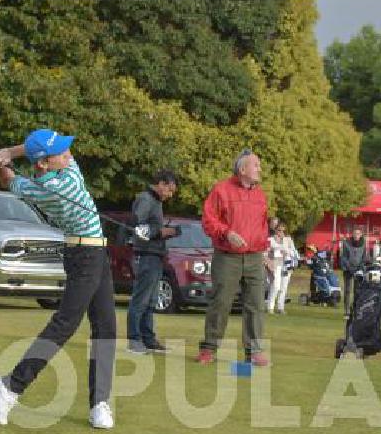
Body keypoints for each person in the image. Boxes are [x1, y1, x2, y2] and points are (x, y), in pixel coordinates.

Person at [0, 129, 117, 429]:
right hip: (84, 256)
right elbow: (14, 179)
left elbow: (10, 181)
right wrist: (9, 156)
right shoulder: (56, 186)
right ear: (44, 163)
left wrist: (4, 156)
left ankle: (99, 402)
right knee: (64, 325)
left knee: (106, 327)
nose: (69, 154)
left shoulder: (43, 179)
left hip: (95, 254)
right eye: (61, 152)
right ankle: (11, 385)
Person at [196, 148, 271, 366]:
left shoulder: (260, 194)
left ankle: (254, 351)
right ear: (242, 169)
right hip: (227, 257)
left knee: (256, 304)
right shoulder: (221, 190)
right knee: (221, 302)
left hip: (255, 257)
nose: (260, 169)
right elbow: (208, 220)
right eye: (256, 165)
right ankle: (209, 348)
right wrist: (227, 233)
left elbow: (262, 225)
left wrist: (263, 251)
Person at [126, 170, 179, 354]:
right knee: (141, 299)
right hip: (146, 255)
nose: (170, 195)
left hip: (155, 255)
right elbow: (137, 226)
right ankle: (134, 340)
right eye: (170, 190)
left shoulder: (155, 201)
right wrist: (164, 232)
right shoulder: (146, 199)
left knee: (151, 300)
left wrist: (163, 231)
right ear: (162, 184)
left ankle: (148, 339)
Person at [266, 222, 298, 315]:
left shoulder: (288, 240)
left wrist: (287, 252)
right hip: (275, 264)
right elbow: (266, 252)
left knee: (283, 287)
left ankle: (280, 307)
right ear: (275, 230)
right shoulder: (270, 240)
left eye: (283, 231)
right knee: (275, 285)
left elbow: (294, 252)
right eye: (279, 230)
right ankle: (270, 307)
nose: (281, 232)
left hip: (286, 265)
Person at [340, 227, 369, 314]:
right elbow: (343, 257)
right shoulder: (346, 243)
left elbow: (364, 257)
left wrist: (360, 267)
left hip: (358, 270)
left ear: (360, 235)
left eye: (358, 234)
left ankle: (356, 308)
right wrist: (349, 267)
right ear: (352, 234)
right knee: (347, 290)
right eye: (354, 233)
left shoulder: (363, 243)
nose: (356, 235)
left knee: (357, 290)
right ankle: (347, 309)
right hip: (348, 269)